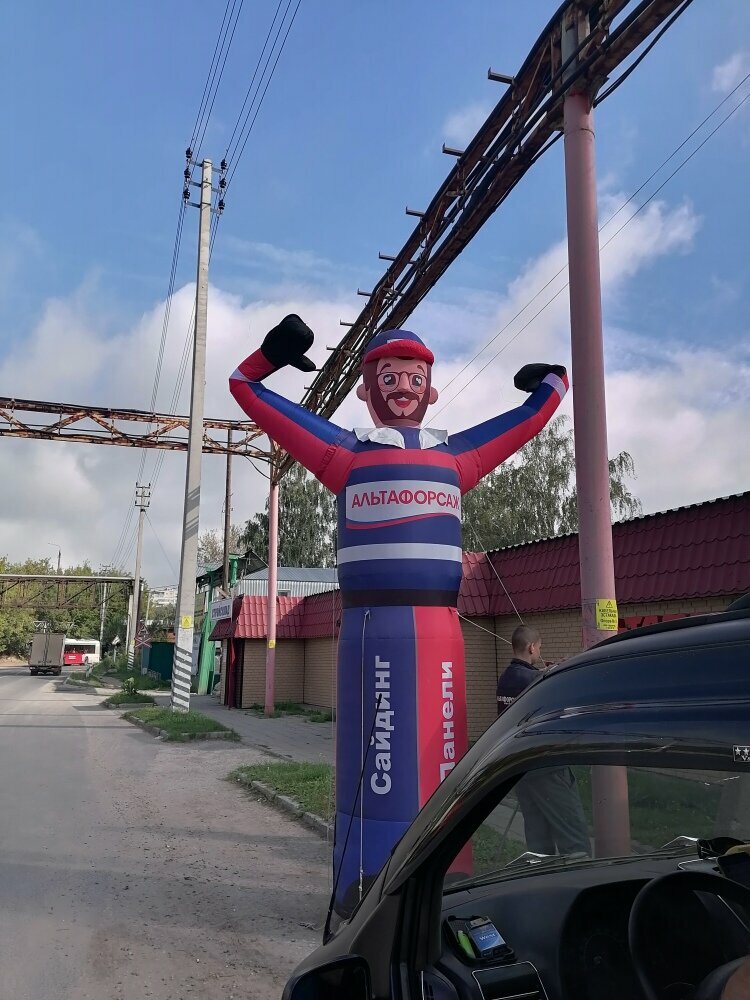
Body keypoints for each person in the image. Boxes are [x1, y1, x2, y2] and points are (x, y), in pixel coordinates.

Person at [230, 316, 568, 915]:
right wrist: (270, 355)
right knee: (377, 766)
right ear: (367, 391)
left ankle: (445, 886)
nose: (403, 388)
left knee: (436, 767)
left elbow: (527, 421)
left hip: (439, 627)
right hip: (370, 628)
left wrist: (554, 382)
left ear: (431, 390)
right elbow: (244, 388)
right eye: (389, 378)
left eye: (414, 378)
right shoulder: (345, 455)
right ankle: (364, 895)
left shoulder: (455, 457)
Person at [497, 625, 591, 857]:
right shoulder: (536, 680)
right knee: (573, 834)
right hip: (547, 767)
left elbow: (530, 681)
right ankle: (579, 875)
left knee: (538, 836)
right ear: (531, 647)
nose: (539, 652)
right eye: (539, 647)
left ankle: (540, 874)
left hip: (519, 767)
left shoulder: (506, 679)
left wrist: (548, 672)